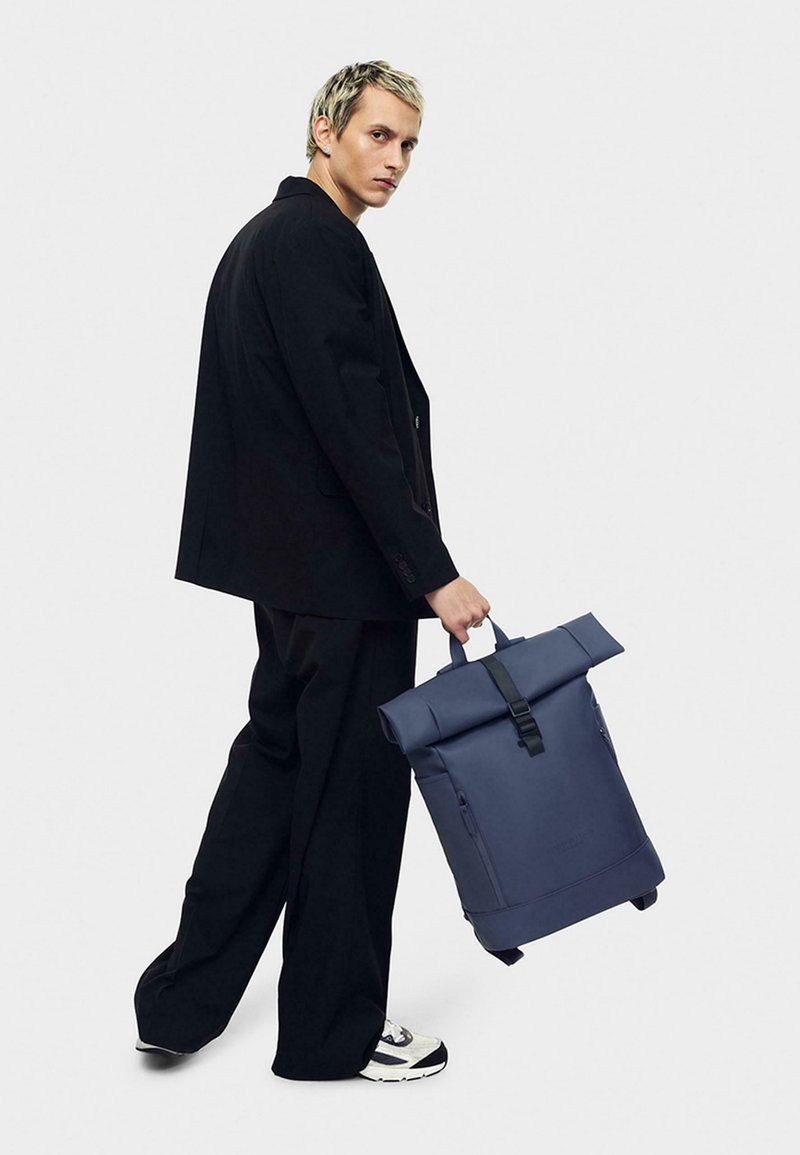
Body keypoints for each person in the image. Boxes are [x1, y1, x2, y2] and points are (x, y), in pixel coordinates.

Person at [133, 59, 490, 1083]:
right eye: (378, 135)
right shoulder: (310, 241)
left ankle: (179, 1005)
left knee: (275, 775)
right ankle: (335, 1032)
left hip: (297, 580)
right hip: (345, 580)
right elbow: (352, 425)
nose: (395, 160)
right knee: (351, 802)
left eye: (409, 144)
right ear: (324, 131)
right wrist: (432, 572)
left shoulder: (269, 238)